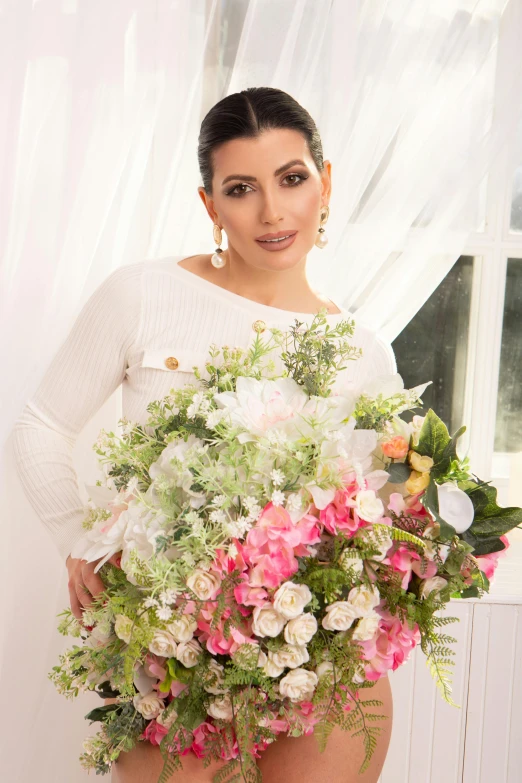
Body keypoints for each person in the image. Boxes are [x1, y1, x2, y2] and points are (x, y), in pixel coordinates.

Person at [12, 86, 395, 783]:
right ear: (210, 204)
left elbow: (385, 511)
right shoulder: (142, 294)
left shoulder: (360, 351)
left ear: (325, 182)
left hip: (317, 661)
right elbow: (42, 424)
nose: (272, 212)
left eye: (292, 178)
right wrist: (78, 541)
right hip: (166, 656)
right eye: (241, 188)